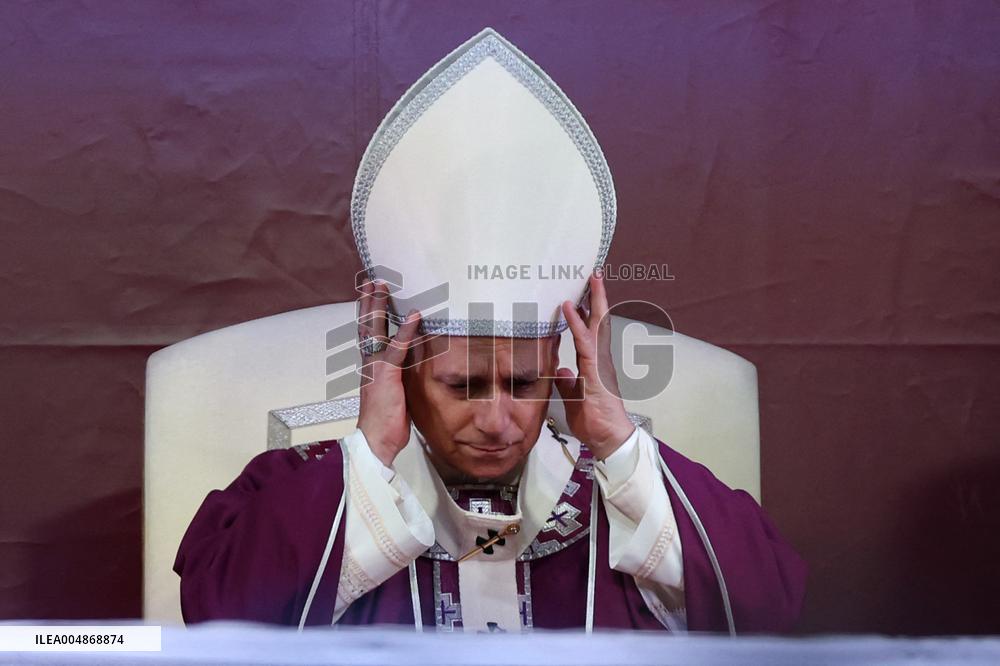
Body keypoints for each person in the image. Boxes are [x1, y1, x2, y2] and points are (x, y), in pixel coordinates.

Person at [173, 28, 806, 634]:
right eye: (462, 385)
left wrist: (617, 438)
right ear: (402, 369)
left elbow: (763, 613)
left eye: (524, 383)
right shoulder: (292, 489)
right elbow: (223, 622)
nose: (498, 422)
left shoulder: (628, 501)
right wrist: (371, 450)